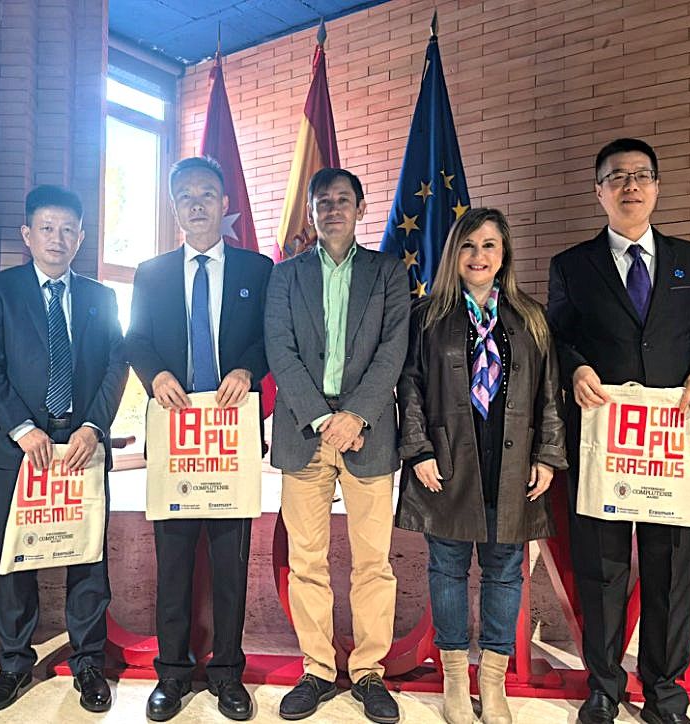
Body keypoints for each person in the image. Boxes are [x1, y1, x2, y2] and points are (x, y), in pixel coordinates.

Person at [547, 138, 690, 724]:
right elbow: (556, 338)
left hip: (671, 444)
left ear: (656, 187)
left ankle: (665, 696)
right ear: (598, 191)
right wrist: (575, 368)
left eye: (642, 175)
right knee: (601, 570)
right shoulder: (572, 265)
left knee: (670, 573)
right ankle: (603, 688)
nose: (631, 186)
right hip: (603, 443)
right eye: (617, 177)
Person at [396, 208, 567, 724]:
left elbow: (549, 393)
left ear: (503, 253)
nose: (478, 255)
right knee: (447, 567)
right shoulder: (427, 316)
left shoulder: (531, 316)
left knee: (505, 571)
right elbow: (410, 386)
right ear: (455, 253)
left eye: (489, 245)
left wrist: (548, 455)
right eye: (469, 245)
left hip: (511, 464)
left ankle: (492, 682)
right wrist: (418, 449)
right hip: (446, 463)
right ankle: (454, 678)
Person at [0, 185, 128, 712]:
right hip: (18, 448)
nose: (57, 238)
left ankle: (89, 661)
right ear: (27, 235)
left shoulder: (101, 298)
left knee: (87, 555)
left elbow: (115, 364)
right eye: (47, 228)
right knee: (16, 556)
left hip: (81, 445)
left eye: (68, 230)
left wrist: (93, 427)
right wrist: (21, 427)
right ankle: (14, 661)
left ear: (80, 237)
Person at [125, 156, 273, 722]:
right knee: (174, 562)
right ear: (174, 208)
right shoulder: (152, 273)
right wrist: (156, 374)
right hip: (175, 434)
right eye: (185, 195)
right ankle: (171, 672)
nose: (196, 203)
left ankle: (228, 673)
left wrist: (248, 370)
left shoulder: (257, 269)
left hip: (230, 436)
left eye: (206, 194)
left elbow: (271, 338)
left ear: (224, 204)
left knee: (230, 563)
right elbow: (135, 339)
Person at [265, 168, 410, 724]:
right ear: (311, 210)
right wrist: (324, 418)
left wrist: (354, 415)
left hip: (367, 431)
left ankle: (369, 671)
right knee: (307, 561)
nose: (332, 210)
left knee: (373, 561)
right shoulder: (286, 276)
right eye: (322, 202)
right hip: (304, 430)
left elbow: (394, 349)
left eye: (342, 200)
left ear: (360, 208)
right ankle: (318, 669)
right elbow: (280, 349)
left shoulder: (387, 272)